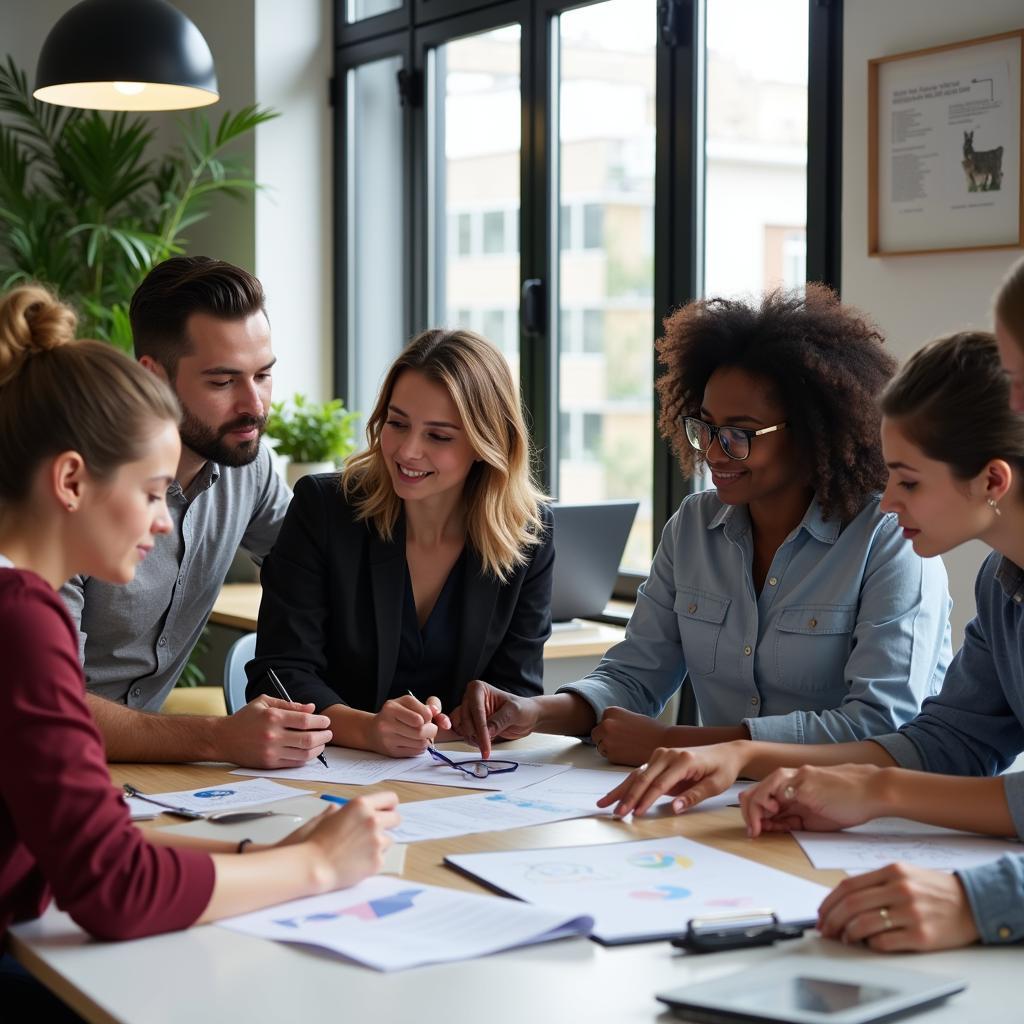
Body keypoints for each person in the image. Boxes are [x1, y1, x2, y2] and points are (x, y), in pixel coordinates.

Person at [0, 285, 398, 1017]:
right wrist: (312, 866)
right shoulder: (22, 620)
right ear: (70, 480)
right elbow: (113, 889)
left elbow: (91, 844)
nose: (163, 522)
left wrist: (267, 856)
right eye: (153, 493)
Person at [600, 327, 1024, 953]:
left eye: (906, 481)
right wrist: (772, 764)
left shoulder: (888, 545)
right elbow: (952, 742)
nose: (885, 501)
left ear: (992, 481)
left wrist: (973, 898)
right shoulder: (1000, 581)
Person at [449, 287, 951, 763]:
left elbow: (882, 725)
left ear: (815, 432)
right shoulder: (694, 527)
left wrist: (678, 743)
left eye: (740, 434)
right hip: (729, 807)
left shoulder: (888, 536)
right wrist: (532, 712)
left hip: (864, 821)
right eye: (705, 427)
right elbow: (635, 676)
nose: (713, 452)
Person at [60, 256, 331, 769]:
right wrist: (218, 738)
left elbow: (323, 574)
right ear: (153, 378)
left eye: (264, 375)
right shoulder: (71, 492)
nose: (254, 405)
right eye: (222, 381)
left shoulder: (247, 466)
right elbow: (50, 711)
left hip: (146, 777)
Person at [247, 328, 553, 757]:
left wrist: (471, 721)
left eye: (439, 436)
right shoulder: (325, 509)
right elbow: (280, 672)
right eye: (397, 423)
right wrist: (369, 730)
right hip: (331, 768)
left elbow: (516, 690)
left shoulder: (528, 535)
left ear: (487, 443)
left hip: (459, 776)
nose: (408, 451)